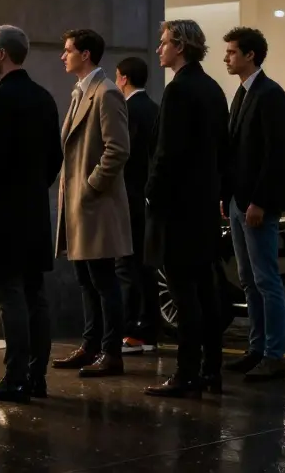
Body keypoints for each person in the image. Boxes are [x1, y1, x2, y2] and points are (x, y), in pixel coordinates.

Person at [0, 25, 63, 403]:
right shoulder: (44, 97)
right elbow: (55, 157)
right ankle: (37, 376)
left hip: (4, 211)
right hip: (34, 208)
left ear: (2, 54)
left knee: (9, 294)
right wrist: (36, 186)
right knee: (35, 293)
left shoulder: (0, 98)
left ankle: (15, 377)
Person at [144, 20, 229, 398]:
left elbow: (167, 152)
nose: (159, 48)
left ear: (179, 46)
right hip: (204, 204)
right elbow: (222, 150)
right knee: (205, 292)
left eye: (164, 42)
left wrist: (151, 193)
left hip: (178, 207)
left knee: (184, 294)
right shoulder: (212, 88)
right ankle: (211, 370)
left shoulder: (178, 90)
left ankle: (186, 373)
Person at [50, 28, 131, 378]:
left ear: (85, 54)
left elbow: (118, 148)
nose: (62, 56)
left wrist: (90, 185)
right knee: (85, 278)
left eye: (68, 50)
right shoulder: (81, 91)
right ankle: (91, 345)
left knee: (103, 280)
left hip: (96, 205)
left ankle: (111, 352)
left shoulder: (106, 92)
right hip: (80, 206)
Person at [221, 26, 285, 381]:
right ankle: (257, 348)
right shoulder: (242, 93)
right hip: (238, 200)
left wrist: (260, 201)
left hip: (255, 203)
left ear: (250, 55)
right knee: (248, 279)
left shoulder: (270, 94)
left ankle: (274, 354)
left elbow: (277, 155)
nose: (226, 58)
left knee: (266, 279)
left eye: (232, 52)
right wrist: (226, 196)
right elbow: (234, 152)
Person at [113, 56, 160, 355]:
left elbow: (123, 156)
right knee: (146, 268)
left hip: (129, 198)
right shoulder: (155, 108)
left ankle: (132, 333)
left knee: (126, 267)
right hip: (148, 199)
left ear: (124, 78)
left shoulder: (127, 111)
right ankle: (150, 332)